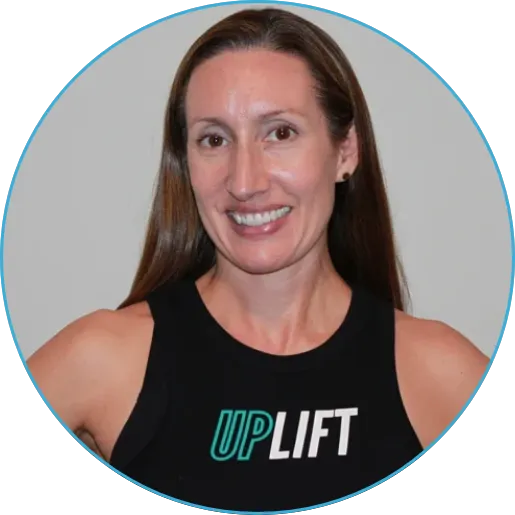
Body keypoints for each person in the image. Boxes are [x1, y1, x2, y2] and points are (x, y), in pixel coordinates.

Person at [27, 7, 489, 511]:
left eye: (280, 133)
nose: (245, 182)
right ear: (186, 163)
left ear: (345, 151)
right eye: (214, 139)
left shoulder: (439, 374)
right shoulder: (103, 360)